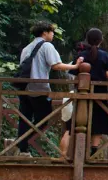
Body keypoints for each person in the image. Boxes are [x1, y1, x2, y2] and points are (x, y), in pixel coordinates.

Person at [17, 23, 78, 156]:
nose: (53, 34)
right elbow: (56, 65)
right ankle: (21, 141)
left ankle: (22, 148)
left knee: (25, 118)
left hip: (24, 87)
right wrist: (75, 66)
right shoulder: (46, 46)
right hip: (40, 89)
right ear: (45, 32)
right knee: (44, 118)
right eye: (52, 32)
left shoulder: (27, 48)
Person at [62, 28, 108, 160]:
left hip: (81, 94)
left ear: (87, 40)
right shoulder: (106, 56)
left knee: (74, 123)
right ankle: (93, 151)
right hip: (99, 95)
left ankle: (67, 155)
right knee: (99, 123)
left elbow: (73, 74)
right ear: (101, 40)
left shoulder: (81, 56)